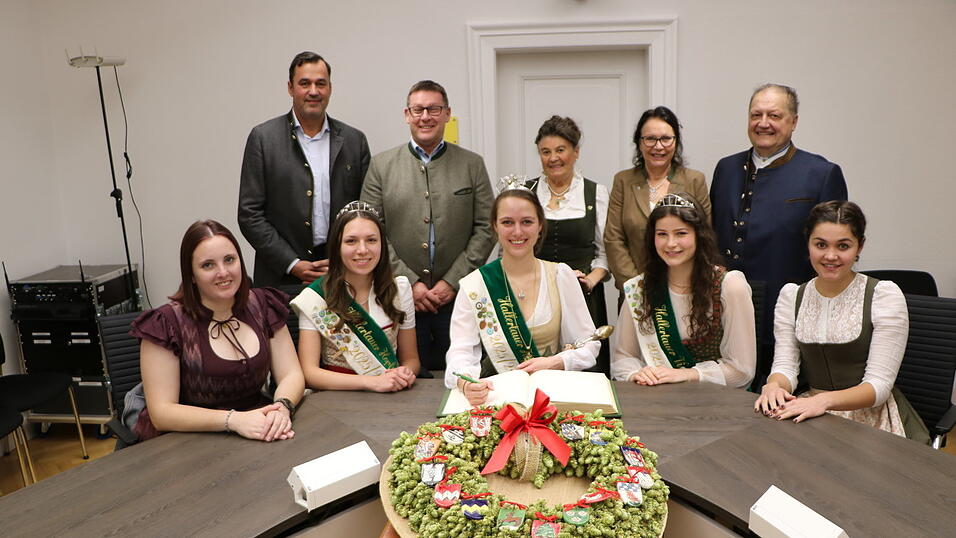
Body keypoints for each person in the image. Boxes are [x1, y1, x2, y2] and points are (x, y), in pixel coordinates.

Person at [754, 201, 930, 443]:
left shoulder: (884, 296)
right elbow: (785, 367)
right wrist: (774, 385)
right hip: (812, 408)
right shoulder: (791, 296)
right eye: (820, 245)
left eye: (843, 246)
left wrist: (823, 402)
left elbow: (878, 386)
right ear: (808, 244)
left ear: (860, 247)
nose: (830, 256)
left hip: (871, 415)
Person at [710, 84, 847, 386]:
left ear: (794, 121)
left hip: (785, 317)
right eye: (756, 114)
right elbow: (713, 237)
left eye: (774, 115)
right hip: (724, 314)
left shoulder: (821, 173)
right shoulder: (726, 168)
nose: (763, 123)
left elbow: (832, 256)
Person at [128, 220, 305, 442]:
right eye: (208, 265)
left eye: (229, 260)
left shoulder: (263, 304)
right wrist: (234, 420)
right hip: (184, 441)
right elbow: (162, 413)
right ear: (191, 275)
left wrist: (282, 406)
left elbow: (291, 373)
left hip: (255, 427)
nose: (223, 272)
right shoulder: (166, 323)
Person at [361, 80, 494, 372]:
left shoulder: (472, 164)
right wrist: (410, 283)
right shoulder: (382, 166)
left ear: (447, 113)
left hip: (459, 299)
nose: (425, 117)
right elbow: (371, 232)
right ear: (407, 114)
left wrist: (452, 282)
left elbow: (487, 227)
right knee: (406, 380)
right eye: (418, 109)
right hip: (399, 299)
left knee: (464, 380)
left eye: (434, 109)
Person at [445, 186, 599, 406]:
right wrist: (466, 383)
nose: (517, 232)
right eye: (507, 222)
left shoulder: (560, 275)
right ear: (494, 227)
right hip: (497, 401)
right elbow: (461, 352)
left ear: (540, 226)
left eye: (526, 222)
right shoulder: (475, 285)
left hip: (554, 401)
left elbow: (588, 344)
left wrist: (556, 362)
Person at [239, 51, 371, 287]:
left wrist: (343, 258)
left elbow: (365, 211)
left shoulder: (354, 141)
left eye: (321, 83)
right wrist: (292, 263)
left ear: (330, 88)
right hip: (281, 278)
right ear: (290, 88)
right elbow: (250, 214)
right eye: (304, 83)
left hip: (342, 275)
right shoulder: (263, 138)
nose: (313, 91)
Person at [612, 193, 755, 388]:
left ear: (699, 235)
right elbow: (622, 359)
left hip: (714, 405)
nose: (671, 243)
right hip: (655, 401)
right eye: (662, 234)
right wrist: (637, 374)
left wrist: (689, 374)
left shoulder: (730, 286)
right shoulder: (639, 289)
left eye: (681, 233)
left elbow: (742, 372)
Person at [290, 201, 420, 391]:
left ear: (383, 245)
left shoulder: (400, 289)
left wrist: (405, 373)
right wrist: (372, 382)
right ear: (337, 246)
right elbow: (310, 373)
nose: (362, 250)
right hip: (336, 400)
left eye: (371, 240)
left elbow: (411, 359)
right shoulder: (315, 297)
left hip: (391, 397)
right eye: (351, 241)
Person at [527, 115, 610, 375]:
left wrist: (590, 281)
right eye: (546, 151)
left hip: (585, 298)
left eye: (561, 150)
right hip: (535, 297)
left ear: (576, 152)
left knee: (585, 377)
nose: (553, 158)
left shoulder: (595, 193)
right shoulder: (526, 192)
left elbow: (605, 253)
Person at [605, 106, 711, 297]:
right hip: (635, 292)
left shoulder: (695, 180)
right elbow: (613, 239)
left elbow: (704, 236)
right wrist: (635, 287)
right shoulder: (623, 181)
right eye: (650, 139)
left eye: (665, 139)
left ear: (676, 141)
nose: (658, 146)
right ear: (639, 142)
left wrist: (681, 286)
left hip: (685, 291)